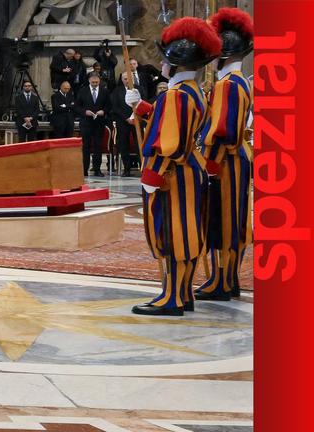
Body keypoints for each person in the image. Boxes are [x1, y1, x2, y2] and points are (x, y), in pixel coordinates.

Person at [125, 16, 221, 316]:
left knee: (173, 232)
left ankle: (174, 297)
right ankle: (181, 293)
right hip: (190, 169)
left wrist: (152, 174)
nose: (162, 65)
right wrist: (142, 107)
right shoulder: (193, 92)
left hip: (172, 172)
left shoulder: (175, 95)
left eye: (166, 60)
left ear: (176, 64)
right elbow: (172, 123)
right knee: (189, 231)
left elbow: (168, 141)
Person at [195, 8, 254, 302]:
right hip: (237, 157)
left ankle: (221, 280)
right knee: (234, 218)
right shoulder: (240, 81)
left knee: (223, 219)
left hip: (225, 160)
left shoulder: (227, 85)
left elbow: (222, 130)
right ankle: (228, 278)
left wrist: (211, 165)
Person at [74, 72, 111, 176]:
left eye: (97, 82)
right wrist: (84, 112)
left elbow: (109, 105)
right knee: (85, 146)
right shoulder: (82, 91)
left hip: (99, 123)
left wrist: (103, 111)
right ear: (89, 81)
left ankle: (97, 169)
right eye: (93, 82)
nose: (95, 84)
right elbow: (77, 106)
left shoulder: (104, 91)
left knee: (98, 146)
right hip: (86, 123)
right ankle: (84, 169)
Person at [110, 74, 142, 176]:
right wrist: (127, 118)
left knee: (139, 144)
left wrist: (134, 117)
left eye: (129, 78)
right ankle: (127, 169)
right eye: (125, 79)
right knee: (124, 145)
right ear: (122, 80)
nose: (127, 80)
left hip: (137, 120)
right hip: (123, 121)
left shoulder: (139, 89)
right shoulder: (117, 91)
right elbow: (115, 106)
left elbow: (143, 102)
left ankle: (142, 167)